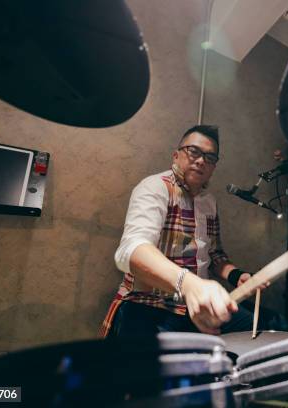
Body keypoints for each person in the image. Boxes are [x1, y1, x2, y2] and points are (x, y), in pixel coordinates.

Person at [100, 125, 267, 338]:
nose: (201, 160)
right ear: (176, 155)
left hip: (197, 305)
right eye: (193, 151)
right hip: (149, 304)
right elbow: (132, 251)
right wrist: (189, 285)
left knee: (267, 328)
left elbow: (215, 255)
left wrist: (237, 276)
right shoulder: (154, 187)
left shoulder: (209, 203)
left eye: (210, 157)